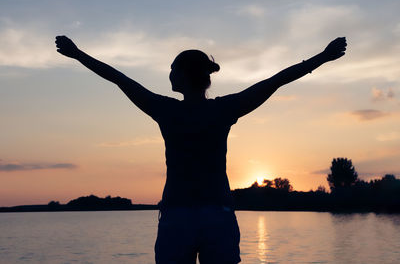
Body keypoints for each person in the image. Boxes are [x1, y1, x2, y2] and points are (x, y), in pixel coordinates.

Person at [55, 35, 347, 264]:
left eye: (172, 68)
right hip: (217, 216)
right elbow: (275, 81)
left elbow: (119, 78)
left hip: (178, 217)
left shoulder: (165, 109)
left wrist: (78, 54)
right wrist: (323, 57)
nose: (168, 73)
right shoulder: (223, 109)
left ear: (183, 74)